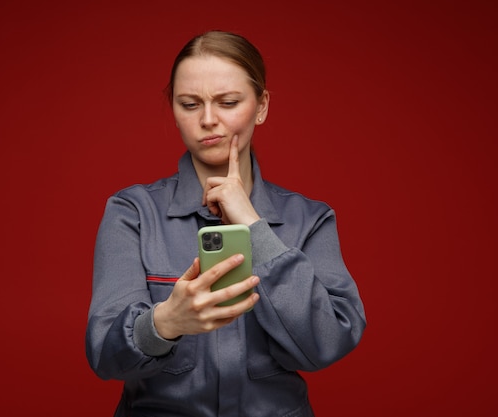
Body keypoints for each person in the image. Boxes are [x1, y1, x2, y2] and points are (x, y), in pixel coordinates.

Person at [85, 30, 366, 417]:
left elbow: (326, 344)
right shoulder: (132, 212)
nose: (208, 120)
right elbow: (104, 355)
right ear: (173, 109)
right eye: (189, 103)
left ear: (262, 105)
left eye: (228, 102)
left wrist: (252, 223)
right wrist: (164, 323)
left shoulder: (311, 219)